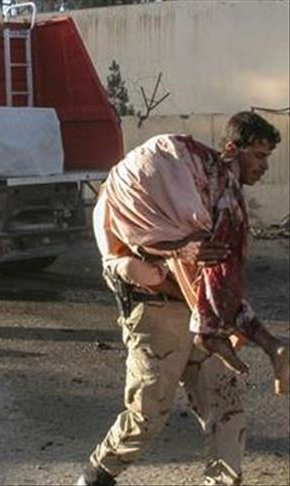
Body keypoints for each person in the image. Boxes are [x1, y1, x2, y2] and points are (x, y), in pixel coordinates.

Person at [76, 112, 287, 486]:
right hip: (156, 314)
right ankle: (95, 477)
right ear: (232, 149)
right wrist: (176, 250)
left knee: (226, 407)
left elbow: (221, 280)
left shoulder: (222, 201)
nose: (264, 167)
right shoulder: (148, 193)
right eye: (258, 156)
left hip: (199, 316)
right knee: (146, 416)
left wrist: (226, 322)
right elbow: (125, 260)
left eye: (267, 157)